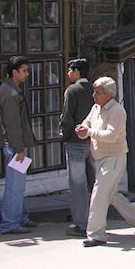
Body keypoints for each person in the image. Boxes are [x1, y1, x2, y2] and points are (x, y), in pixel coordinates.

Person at [75, 77, 135, 247]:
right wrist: (82, 128)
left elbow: (111, 135)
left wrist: (88, 132)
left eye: (98, 92)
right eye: (94, 91)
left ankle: (96, 234)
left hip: (113, 157)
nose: (94, 95)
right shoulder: (96, 107)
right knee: (110, 194)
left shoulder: (117, 111)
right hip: (101, 157)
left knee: (99, 194)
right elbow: (87, 122)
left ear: (109, 95)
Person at [0, 55, 37, 234]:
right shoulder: (11, 93)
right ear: (14, 73)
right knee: (15, 186)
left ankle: (20, 217)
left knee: (17, 184)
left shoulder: (9, 89)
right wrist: (19, 149)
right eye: (24, 71)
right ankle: (10, 223)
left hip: (14, 145)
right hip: (15, 146)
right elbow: (13, 125)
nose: (27, 74)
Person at [60, 58, 95, 237]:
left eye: (70, 70)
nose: (68, 74)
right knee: (95, 182)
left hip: (76, 141)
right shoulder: (94, 89)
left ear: (77, 72)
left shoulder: (72, 90)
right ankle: (96, 220)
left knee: (78, 184)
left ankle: (81, 223)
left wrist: (64, 135)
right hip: (92, 140)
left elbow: (67, 117)